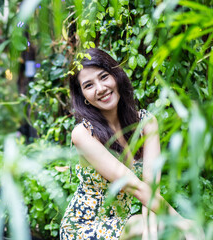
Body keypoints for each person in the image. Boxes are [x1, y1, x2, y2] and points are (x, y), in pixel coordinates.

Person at [60, 48, 200, 240]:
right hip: (84, 228)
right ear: (83, 95)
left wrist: (151, 231)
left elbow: (151, 188)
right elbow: (135, 186)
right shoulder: (83, 134)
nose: (100, 88)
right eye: (89, 85)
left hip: (123, 223)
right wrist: (180, 222)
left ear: (116, 76)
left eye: (104, 77)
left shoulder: (146, 123)